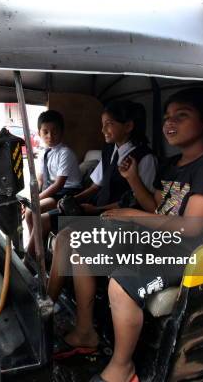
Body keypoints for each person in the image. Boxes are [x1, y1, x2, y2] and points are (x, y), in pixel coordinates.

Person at [59, 88, 203, 382]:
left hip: (185, 251)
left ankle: (123, 367)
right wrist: (132, 180)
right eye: (168, 117)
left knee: (121, 283)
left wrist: (134, 216)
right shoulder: (171, 164)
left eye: (182, 117)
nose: (170, 123)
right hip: (158, 240)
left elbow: (191, 227)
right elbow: (155, 206)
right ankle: (85, 331)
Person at [46, 101, 158, 302]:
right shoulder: (108, 151)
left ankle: (48, 300)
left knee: (64, 237)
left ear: (128, 126)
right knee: (48, 219)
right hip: (97, 211)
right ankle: (48, 281)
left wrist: (94, 209)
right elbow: (96, 185)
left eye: (109, 124)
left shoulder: (144, 158)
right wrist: (73, 199)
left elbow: (135, 203)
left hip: (119, 219)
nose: (103, 129)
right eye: (102, 124)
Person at [24, 110, 82, 259]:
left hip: (68, 192)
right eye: (45, 132)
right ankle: (38, 248)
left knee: (32, 211)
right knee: (29, 211)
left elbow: (59, 184)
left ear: (62, 132)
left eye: (54, 131)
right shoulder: (44, 153)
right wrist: (32, 197)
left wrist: (35, 201)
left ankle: (33, 254)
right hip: (55, 192)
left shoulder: (65, 153)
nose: (50, 136)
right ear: (39, 133)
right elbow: (40, 180)